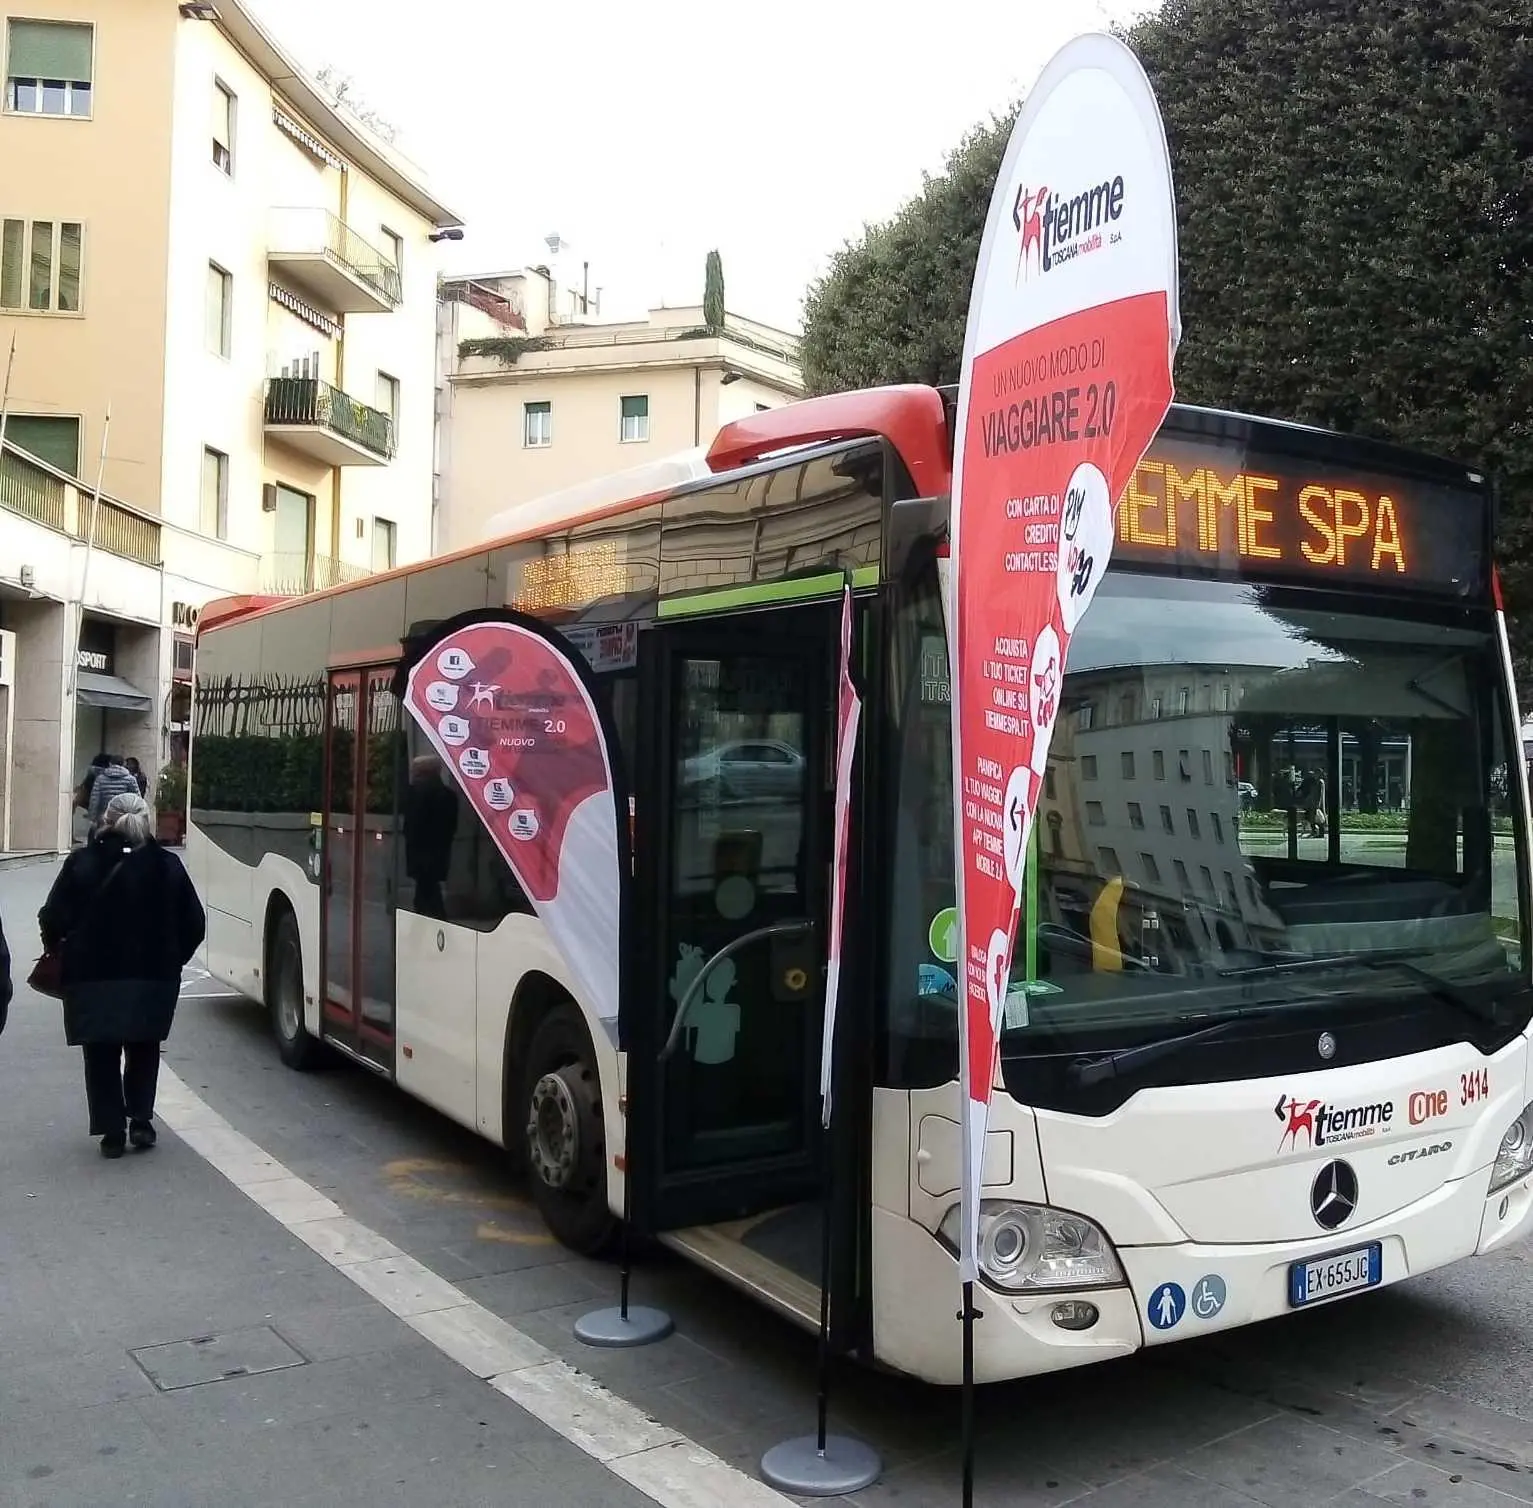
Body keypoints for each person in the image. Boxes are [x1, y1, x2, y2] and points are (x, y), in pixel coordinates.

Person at [39, 792, 206, 1158]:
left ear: (106, 820)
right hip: (154, 976)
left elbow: (52, 916)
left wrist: (61, 949)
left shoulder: (82, 863)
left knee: (100, 1051)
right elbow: (194, 923)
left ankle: (112, 1131)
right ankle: (141, 1121)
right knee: (144, 1046)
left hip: (91, 976)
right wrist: (173, 959)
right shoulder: (167, 866)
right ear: (145, 819)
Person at [402, 754, 457, 920]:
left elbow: (412, 825)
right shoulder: (449, 795)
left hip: (420, 852)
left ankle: (434, 922)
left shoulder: (416, 793)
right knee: (427, 889)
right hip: (440, 852)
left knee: (427, 892)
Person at [87, 755, 140, 832]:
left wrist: (92, 817)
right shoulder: (130, 779)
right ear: (124, 764)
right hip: (124, 817)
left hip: (105, 817)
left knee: (105, 839)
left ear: (110, 764)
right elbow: (137, 799)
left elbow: (95, 799)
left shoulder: (100, 779)